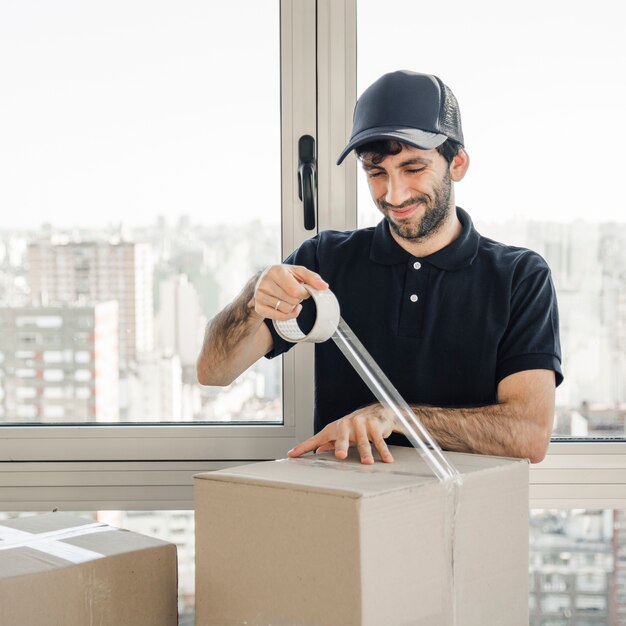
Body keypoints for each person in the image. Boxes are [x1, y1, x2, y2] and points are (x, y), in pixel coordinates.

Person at [197, 70, 563, 465]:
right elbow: (214, 372)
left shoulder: (519, 278)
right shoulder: (325, 260)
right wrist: (253, 300)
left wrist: (397, 417)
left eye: (413, 168)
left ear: (457, 163)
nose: (394, 194)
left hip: (461, 516)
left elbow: (528, 435)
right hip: (345, 513)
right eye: (376, 172)